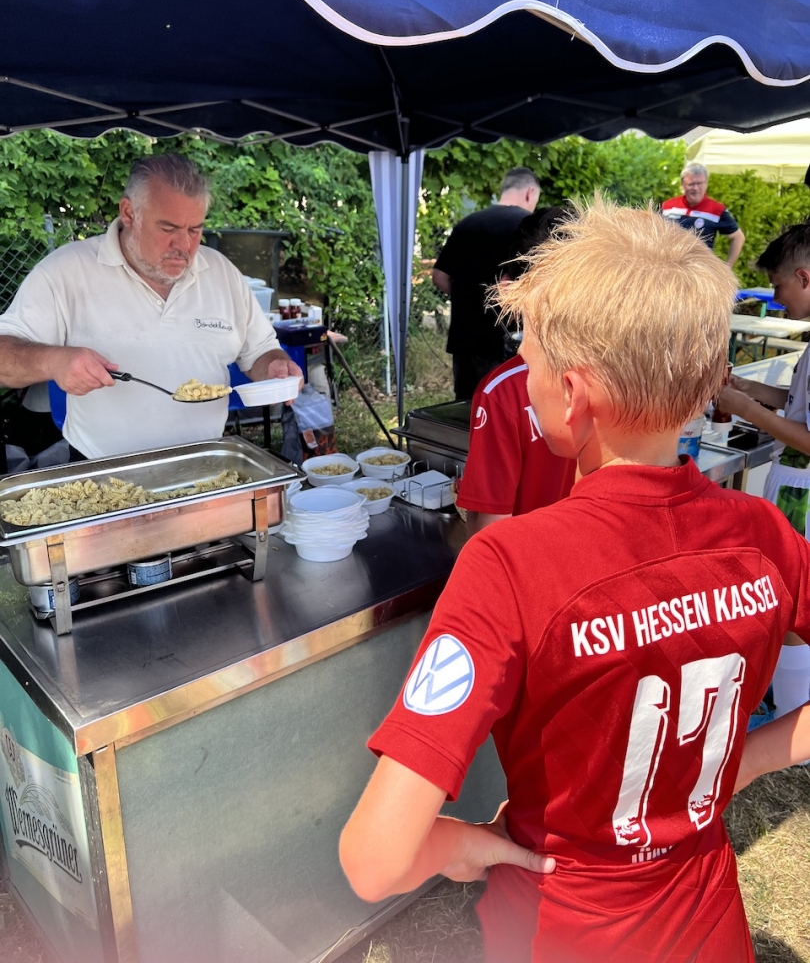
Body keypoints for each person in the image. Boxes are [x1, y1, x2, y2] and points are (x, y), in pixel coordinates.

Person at [340, 198, 810, 963]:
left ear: (572, 392)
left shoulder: (509, 564)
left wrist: (461, 845)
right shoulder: (762, 535)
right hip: (709, 931)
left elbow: (375, 859)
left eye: (528, 362)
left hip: (557, 930)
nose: (522, 378)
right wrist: (743, 762)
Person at [0, 154, 302, 460]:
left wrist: (274, 366)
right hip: (103, 471)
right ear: (129, 213)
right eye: (168, 229)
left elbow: (261, 351)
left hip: (205, 466)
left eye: (194, 230)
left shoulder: (221, 273)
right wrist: (54, 361)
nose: (183, 246)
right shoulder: (66, 271)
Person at [715, 222, 810, 721]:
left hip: (802, 494)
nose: (775, 299)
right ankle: (785, 702)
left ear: (805, 277)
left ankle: (791, 718)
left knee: (793, 604)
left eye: (779, 286)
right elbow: (798, 405)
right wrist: (750, 391)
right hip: (794, 487)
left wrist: (747, 410)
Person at [456, 206, 576, 537]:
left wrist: (470, 514)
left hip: (527, 563)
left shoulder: (502, 393)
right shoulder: (620, 371)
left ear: (508, 289)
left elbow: (491, 531)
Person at [431, 167, 539, 399]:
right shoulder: (527, 226)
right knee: (500, 408)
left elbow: (439, 276)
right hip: (504, 343)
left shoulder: (467, 224)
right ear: (530, 192)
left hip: (463, 339)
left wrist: (467, 297)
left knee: (465, 408)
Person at [662, 162, 745, 266]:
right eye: (691, 184)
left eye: (700, 183)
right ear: (682, 184)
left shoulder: (716, 210)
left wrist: (727, 267)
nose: (696, 188)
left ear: (706, 183)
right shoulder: (668, 207)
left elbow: (738, 237)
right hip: (670, 266)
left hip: (701, 269)